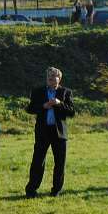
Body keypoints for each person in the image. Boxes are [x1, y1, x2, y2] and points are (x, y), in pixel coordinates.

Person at [25, 67, 75, 197]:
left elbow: (71, 112)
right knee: (37, 161)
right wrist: (43, 106)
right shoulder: (38, 92)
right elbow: (30, 109)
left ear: (60, 79)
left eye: (54, 77)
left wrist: (59, 103)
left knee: (60, 162)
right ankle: (31, 190)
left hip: (59, 133)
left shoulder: (66, 92)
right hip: (42, 131)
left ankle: (56, 190)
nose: (51, 79)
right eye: (49, 77)